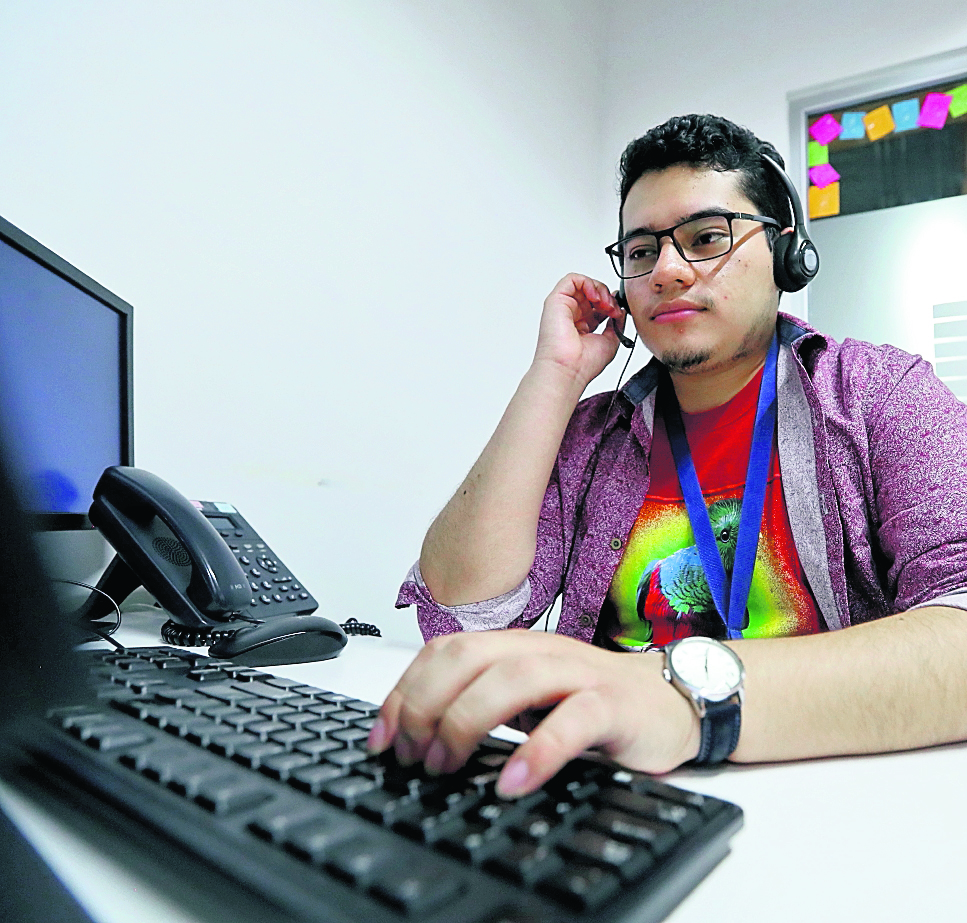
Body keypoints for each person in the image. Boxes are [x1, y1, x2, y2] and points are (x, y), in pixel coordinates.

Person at [367, 113, 967, 798]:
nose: (667, 271)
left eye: (706, 238)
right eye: (642, 250)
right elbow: (458, 616)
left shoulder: (882, 395)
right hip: (609, 787)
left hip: (815, 792)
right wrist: (554, 376)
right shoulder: (595, 434)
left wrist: (680, 695)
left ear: (786, 253)